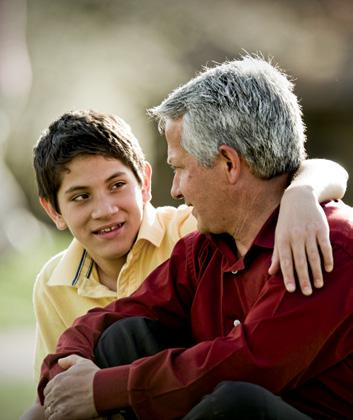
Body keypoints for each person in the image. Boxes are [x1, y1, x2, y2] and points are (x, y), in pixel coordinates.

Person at [29, 63, 353, 420]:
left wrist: (103, 388)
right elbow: (123, 312)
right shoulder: (206, 247)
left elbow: (247, 364)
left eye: (181, 168)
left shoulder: (328, 245)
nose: (175, 189)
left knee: (236, 405)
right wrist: (61, 372)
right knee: (124, 336)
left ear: (229, 163)